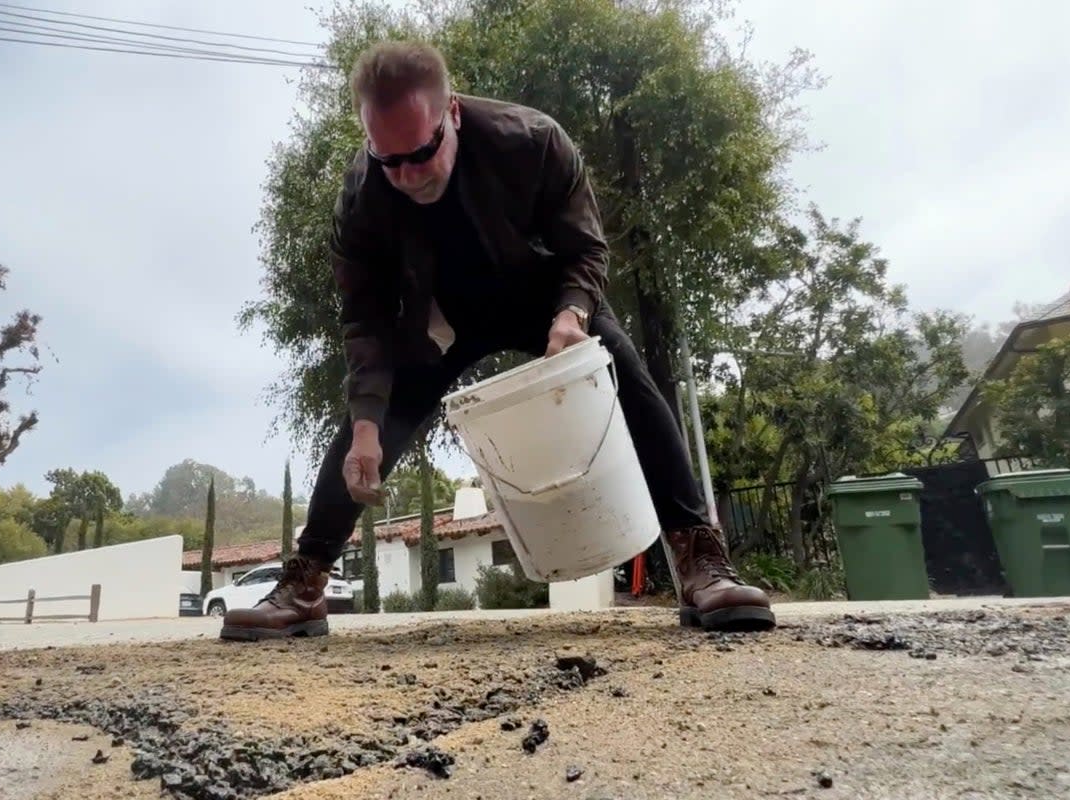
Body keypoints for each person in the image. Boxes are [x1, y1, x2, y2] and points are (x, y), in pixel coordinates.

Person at [220, 40, 775, 641]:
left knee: (628, 378)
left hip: (544, 295)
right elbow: (365, 320)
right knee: (368, 430)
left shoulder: (533, 141)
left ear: (452, 112)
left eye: (422, 152)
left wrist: (572, 315)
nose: (406, 176)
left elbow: (586, 248)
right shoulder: (362, 199)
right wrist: (364, 424)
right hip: (440, 318)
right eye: (388, 160)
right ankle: (304, 584)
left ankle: (702, 562)